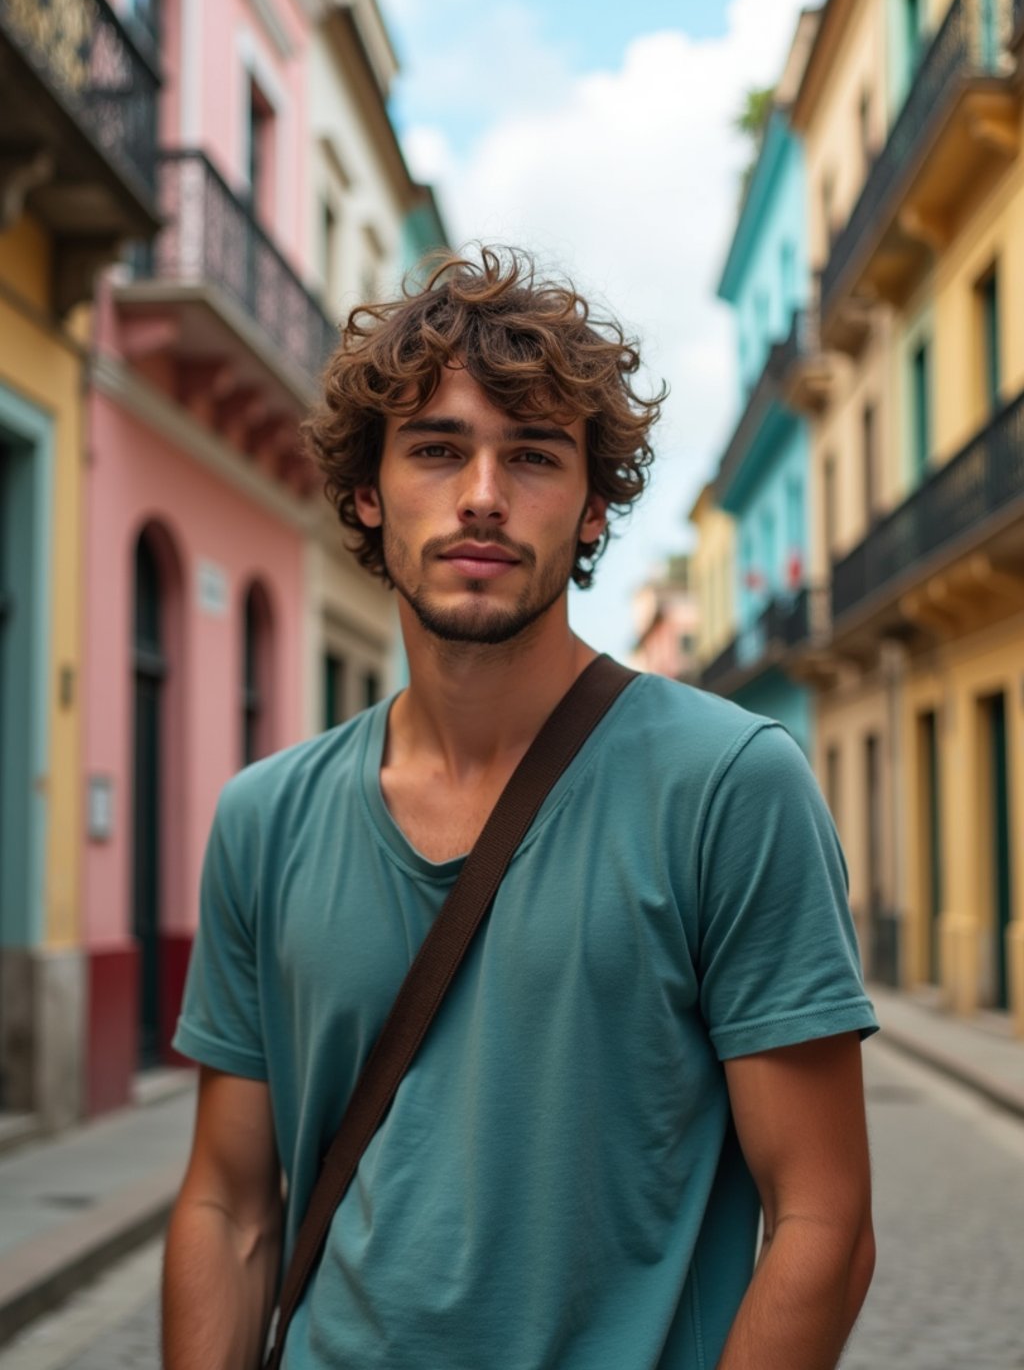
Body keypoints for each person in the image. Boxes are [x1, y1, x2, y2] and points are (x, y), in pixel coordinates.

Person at [163, 246, 878, 1370]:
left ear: (593, 511)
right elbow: (229, 1204)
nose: (483, 496)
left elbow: (823, 1225)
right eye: (437, 450)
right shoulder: (265, 819)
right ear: (366, 492)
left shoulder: (730, 786)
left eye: (533, 456)